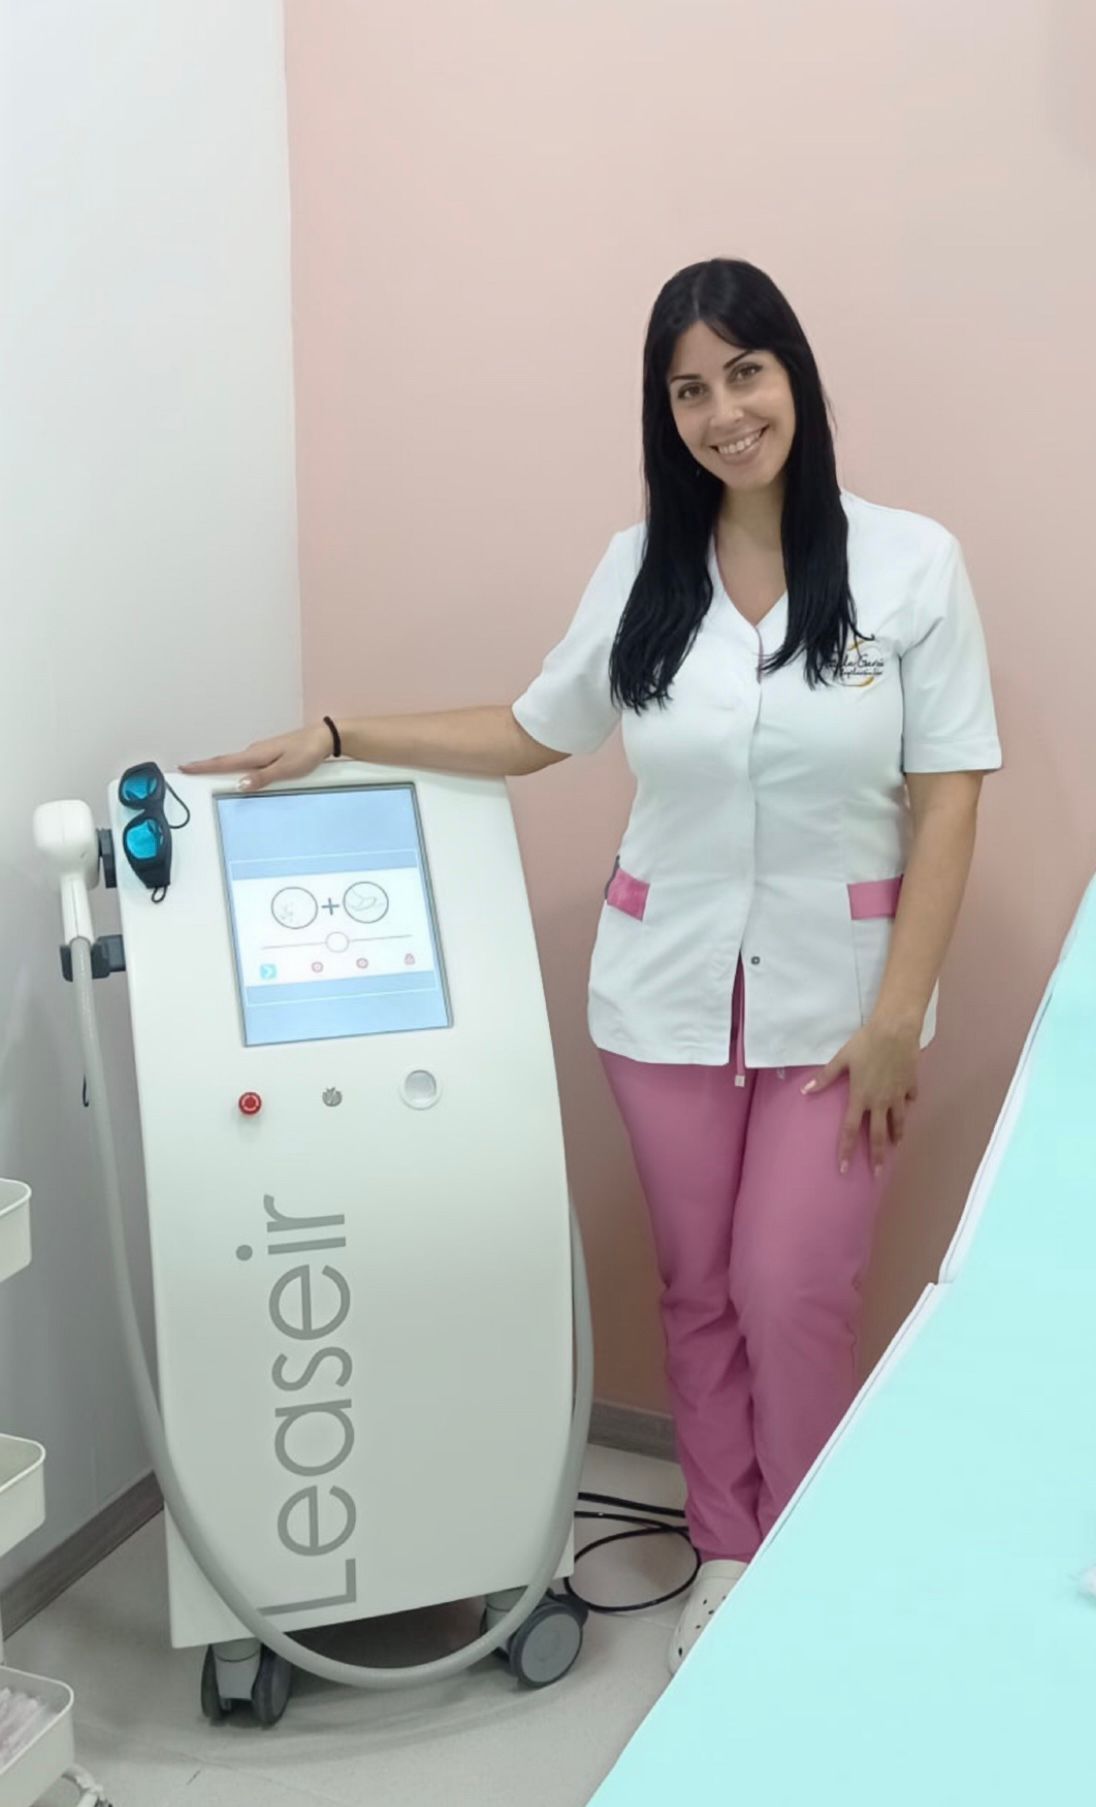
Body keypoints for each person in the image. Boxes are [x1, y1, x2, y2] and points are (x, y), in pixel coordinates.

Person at [183, 258, 1002, 1674]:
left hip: (841, 1008)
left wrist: (896, 1018)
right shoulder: (643, 571)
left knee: (789, 1284)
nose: (722, 412)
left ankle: (810, 1564)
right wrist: (339, 730)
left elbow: (950, 795)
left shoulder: (911, 565)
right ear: (663, 413)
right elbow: (531, 729)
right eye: (688, 389)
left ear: (793, 376)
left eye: (744, 373)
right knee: (694, 1288)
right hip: (662, 997)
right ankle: (729, 1557)